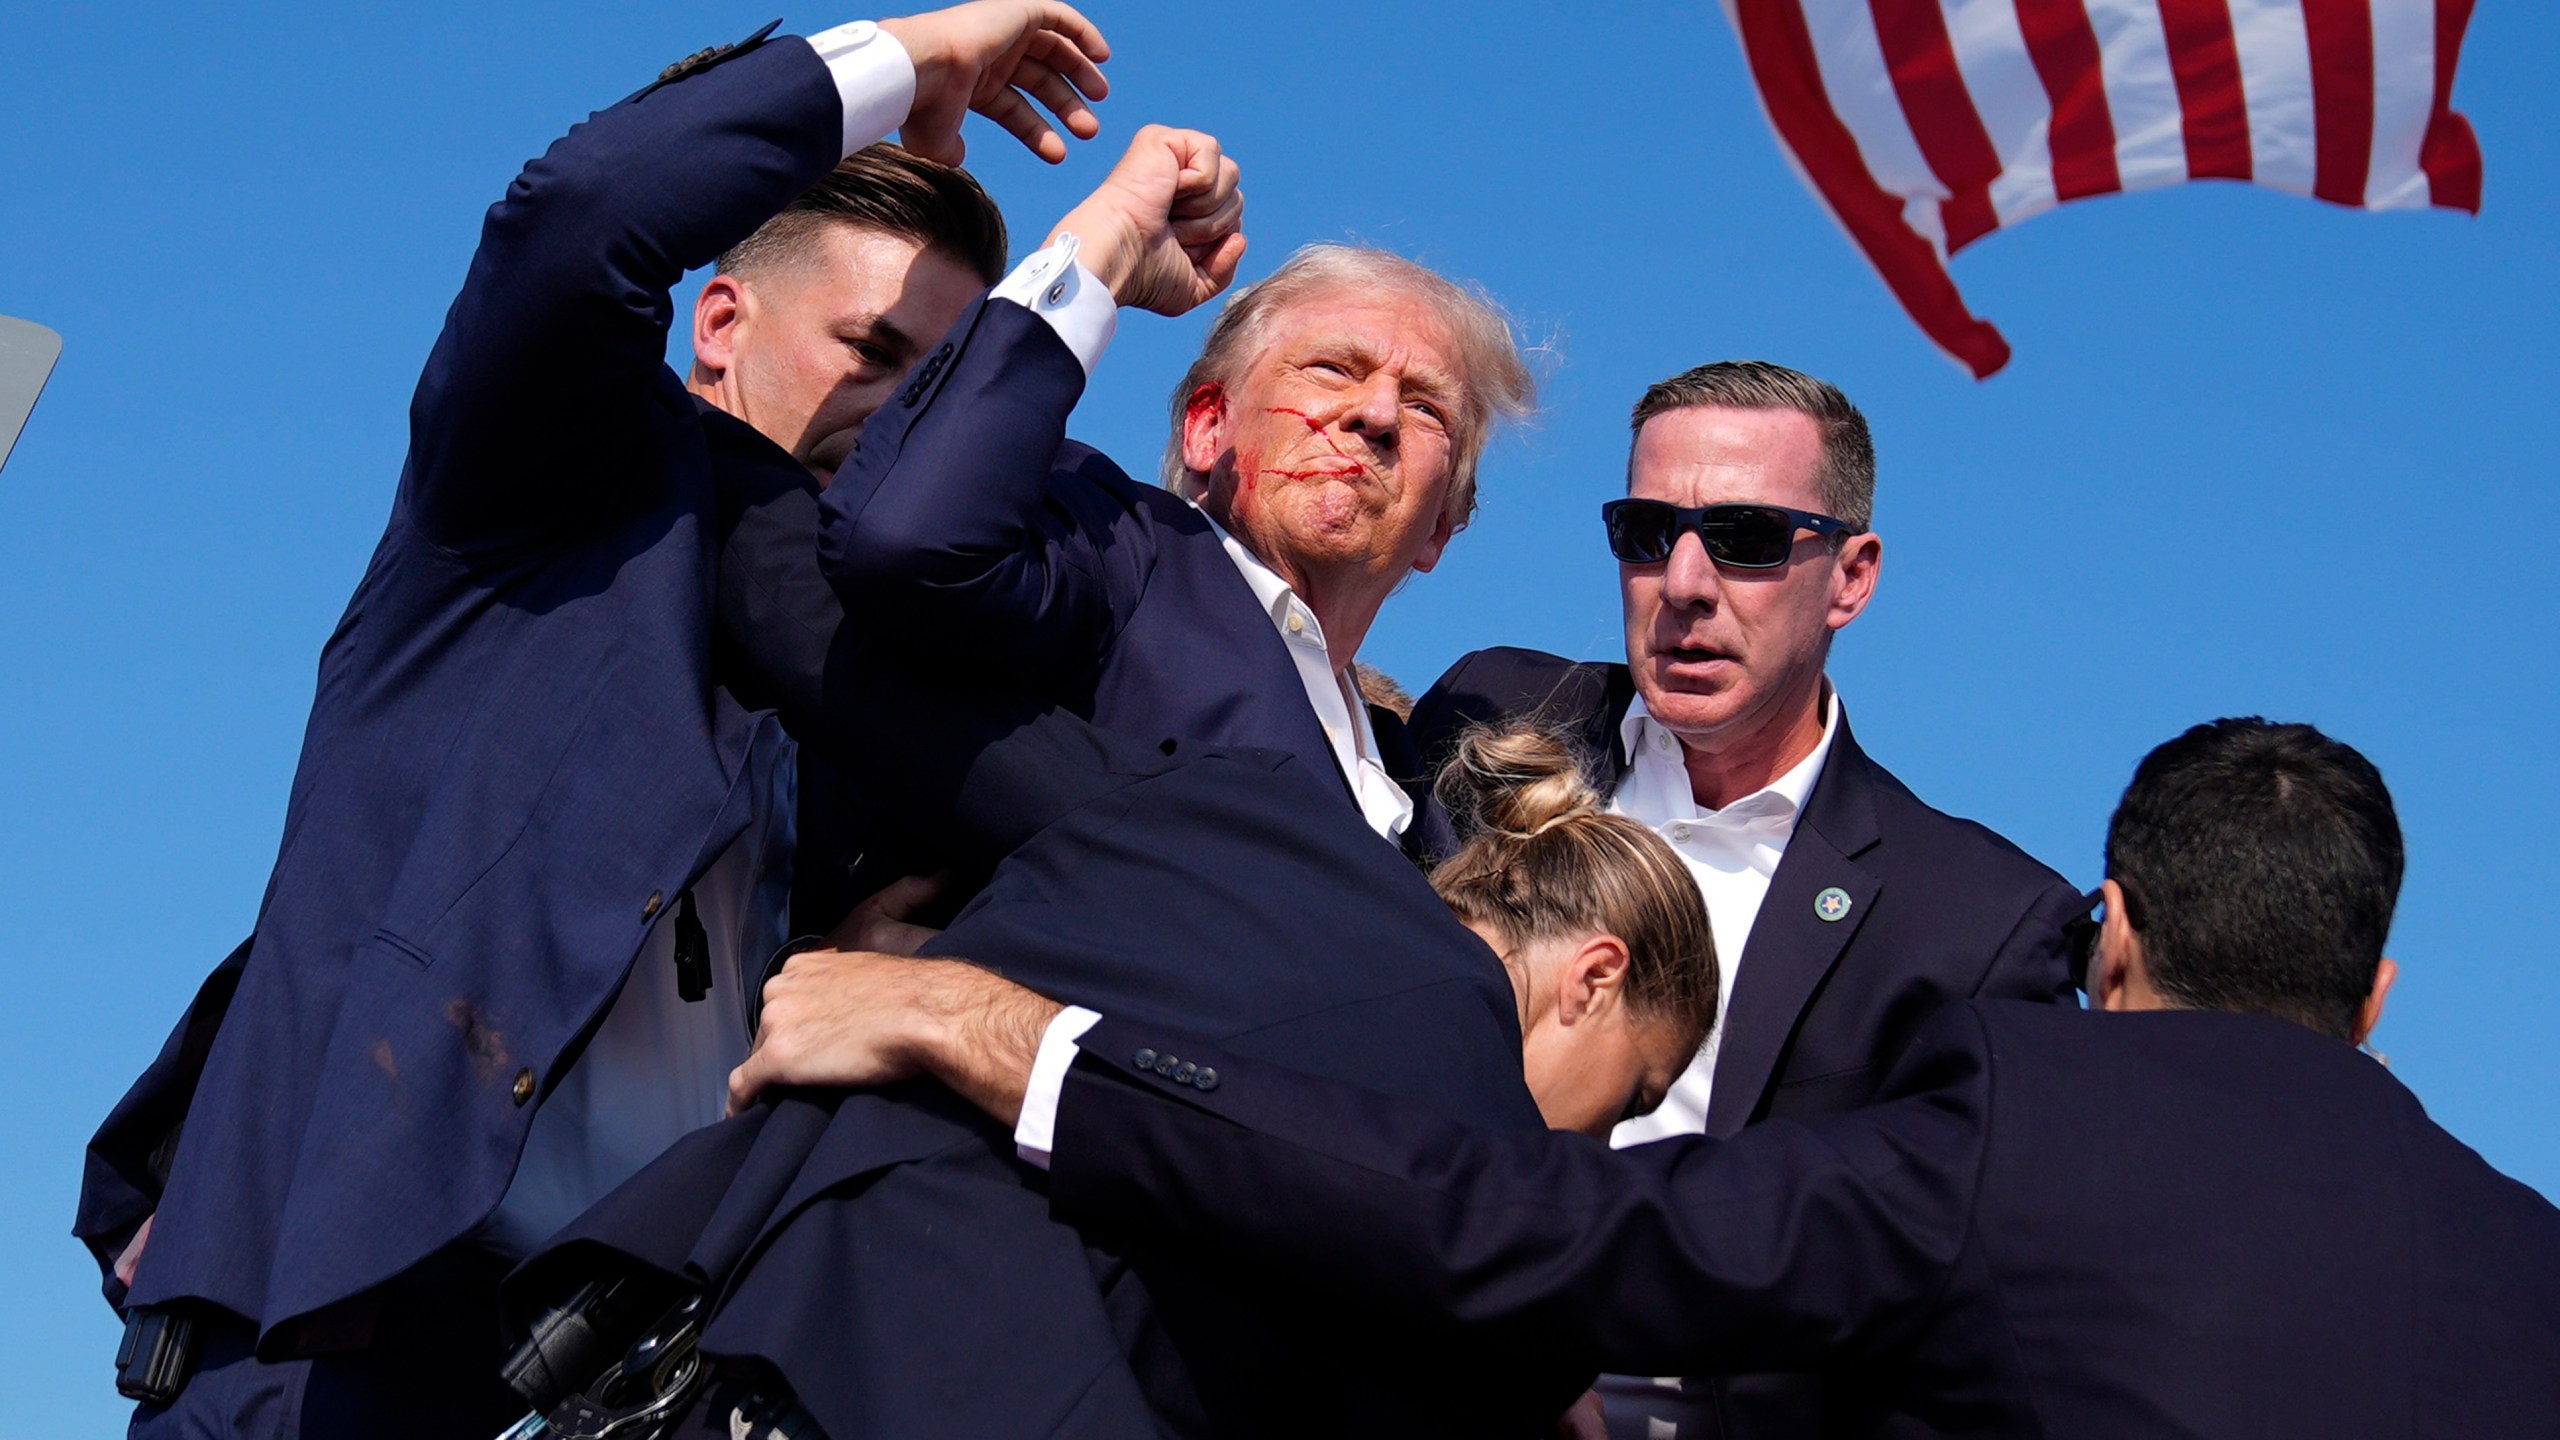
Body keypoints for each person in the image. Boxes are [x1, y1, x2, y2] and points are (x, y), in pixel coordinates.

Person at [68, 8, 1238, 1434]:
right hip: (336, 1352)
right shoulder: (540, 495)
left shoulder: (882, 673)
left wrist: (1105, 279)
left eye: (937, 389)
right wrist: (915, 64)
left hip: (639, 1365)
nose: (895, 418)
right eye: (870, 351)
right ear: (723, 322)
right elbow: (579, 214)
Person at [762, 717, 2560, 1438]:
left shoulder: (2026, 1122)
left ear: (2115, 930)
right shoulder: (2526, 1264)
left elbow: (1509, 1224)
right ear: (2381, 995)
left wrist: (1003, 1033)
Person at [505, 695, 1716, 1439]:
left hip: (718, 1319)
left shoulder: (1241, 830)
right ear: (1595, 976)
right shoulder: (1472, 1106)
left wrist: (945, 975)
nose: (1597, 1141)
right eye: (1635, 1091)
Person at [1408, 360, 2082, 1434]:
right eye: (1645, 531)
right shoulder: (1488, 709)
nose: (1682, 581)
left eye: (1747, 539)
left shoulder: (1977, 929)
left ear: (1852, 577)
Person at [819, 231, 1537, 860]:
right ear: (1208, 428)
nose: (1378, 413)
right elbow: (910, 542)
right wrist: (1102, 249)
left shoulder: (1418, 793)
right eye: (1332, 368)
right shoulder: (1116, 550)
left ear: (1438, 528)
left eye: (1425, 407)